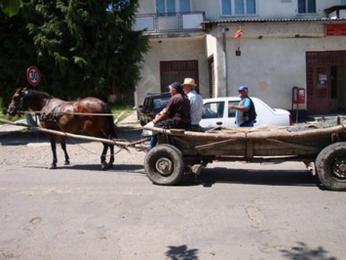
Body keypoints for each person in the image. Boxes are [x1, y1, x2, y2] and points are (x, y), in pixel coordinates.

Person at [149, 82, 191, 148]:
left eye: (170, 90)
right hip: (185, 123)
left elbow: (166, 114)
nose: (169, 92)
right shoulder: (186, 98)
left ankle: (152, 147)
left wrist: (155, 121)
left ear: (174, 90)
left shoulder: (175, 98)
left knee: (156, 127)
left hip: (176, 123)